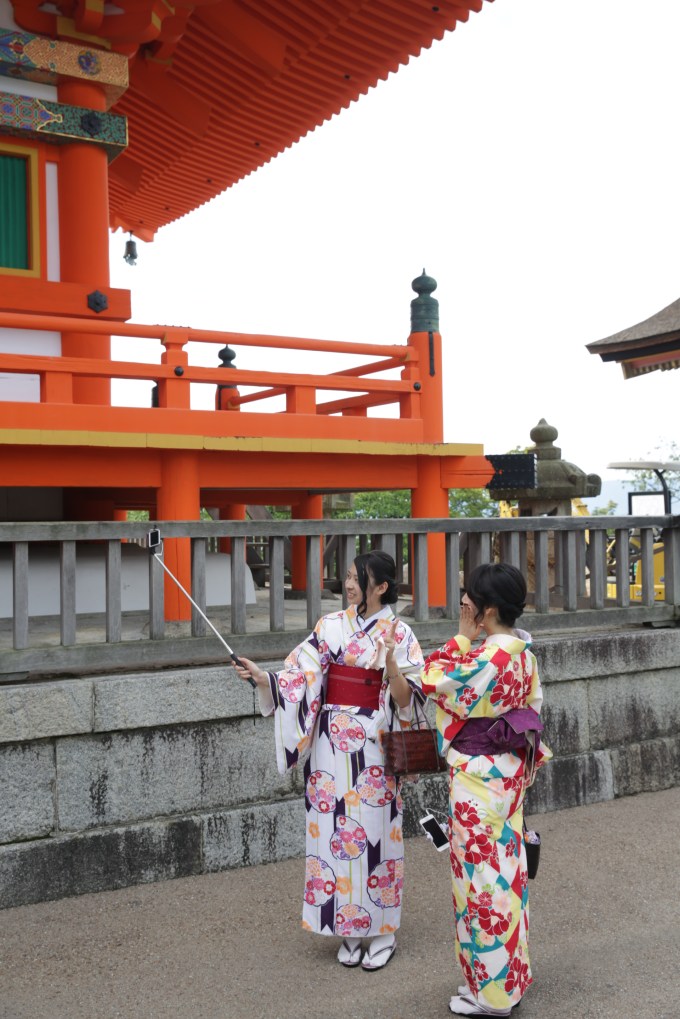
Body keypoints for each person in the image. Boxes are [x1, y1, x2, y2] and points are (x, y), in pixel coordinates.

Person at [234, 549, 425, 971]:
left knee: (376, 834)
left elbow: (409, 698)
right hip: (329, 747)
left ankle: (382, 930)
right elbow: (301, 677)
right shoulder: (331, 626)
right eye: (350, 576)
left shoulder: (400, 633)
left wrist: (392, 666)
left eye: (359, 578)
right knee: (333, 834)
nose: (350, 584)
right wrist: (265, 678)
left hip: (375, 741)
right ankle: (349, 928)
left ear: (382, 587)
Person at [421, 563, 552, 1017]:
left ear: (487, 610)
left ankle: (492, 996)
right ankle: (509, 981)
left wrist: (460, 636)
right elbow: (531, 710)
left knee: (481, 882)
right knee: (508, 876)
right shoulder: (523, 653)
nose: (466, 606)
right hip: (508, 774)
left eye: (471, 600)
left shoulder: (488, 657)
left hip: (478, 779)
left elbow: (432, 679)